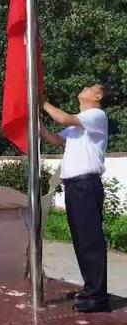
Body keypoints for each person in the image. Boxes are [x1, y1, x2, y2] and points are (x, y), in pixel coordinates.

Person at [41, 84, 112, 313]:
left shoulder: (96, 115)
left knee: (91, 241)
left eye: (91, 87)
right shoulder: (79, 124)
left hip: (86, 184)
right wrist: (37, 125)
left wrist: (41, 101)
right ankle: (91, 288)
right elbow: (55, 140)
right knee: (81, 240)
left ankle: (98, 297)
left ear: (98, 96)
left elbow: (62, 118)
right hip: (74, 186)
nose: (85, 87)